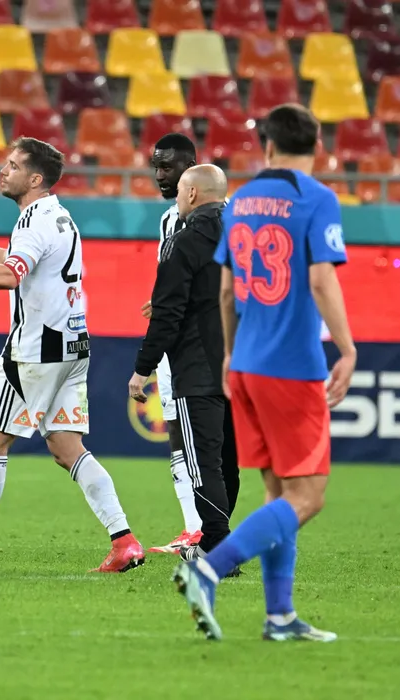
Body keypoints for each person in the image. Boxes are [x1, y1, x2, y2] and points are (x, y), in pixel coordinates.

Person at [0, 137, 145, 573]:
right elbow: (10, 258)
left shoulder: (35, 221)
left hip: (34, 352)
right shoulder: (56, 216)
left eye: (14, 166)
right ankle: (124, 541)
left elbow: (9, 275)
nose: (3, 170)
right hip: (71, 347)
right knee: (67, 447)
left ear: (35, 179)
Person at [173, 104, 353, 642]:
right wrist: (347, 348)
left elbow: (228, 291)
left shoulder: (243, 200)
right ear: (316, 146)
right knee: (309, 497)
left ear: (268, 146)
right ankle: (208, 569)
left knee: (280, 497)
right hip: (291, 365)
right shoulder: (316, 198)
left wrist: (230, 355)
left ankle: (280, 616)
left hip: (246, 363)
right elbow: (321, 280)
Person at [129, 165, 239, 568]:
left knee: (202, 462)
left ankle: (216, 546)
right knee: (228, 461)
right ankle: (219, 540)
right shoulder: (247, 236)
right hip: (243, 367)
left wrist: (142, 368)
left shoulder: (184, 240)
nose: (176, 198)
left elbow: (168, 314)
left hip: (199, 368)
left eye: (179, 192)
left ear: (192, 194)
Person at [143, 133, 203, 554]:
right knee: (177, 432)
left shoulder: (222, 217)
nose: (160, 175)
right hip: (172, 342)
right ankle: (193, 527)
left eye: (168, 167)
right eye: (157, 167)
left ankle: (210, 529)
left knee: (206, 438)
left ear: (191, 169)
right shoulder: (168, 220)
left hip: (205, 344)